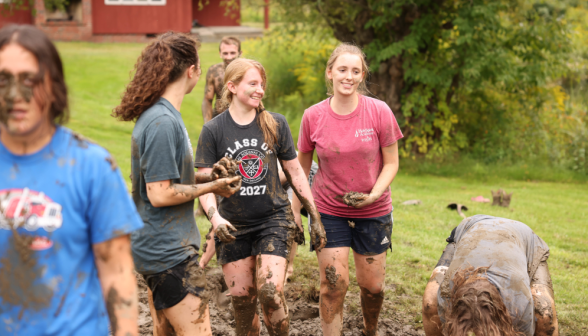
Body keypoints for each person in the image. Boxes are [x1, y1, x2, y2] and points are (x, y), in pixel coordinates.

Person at [0, 25, 143, 335]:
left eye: (30, 80)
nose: (15, 95)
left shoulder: (92, 167)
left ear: (54, 87)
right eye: (3, 80)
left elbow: (117, 271)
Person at [112, 32, 241, 336]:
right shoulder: (162, 122)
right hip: (167, 252)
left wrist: (211, 176)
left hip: (161, 247)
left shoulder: (167, 115)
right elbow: (160, 193)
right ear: (192, 70)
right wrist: (213, 189)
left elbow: (165, 176)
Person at [195, 58, 326, 336]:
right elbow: (205, 185)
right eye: (252, 84)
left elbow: (295, 171)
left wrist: (314, 216)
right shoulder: (213, 130)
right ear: (231, 86)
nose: (260, 90)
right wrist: (215, 218)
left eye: (262, 85)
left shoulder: (275, 123)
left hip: (273, 219)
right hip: (232, 225)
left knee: (270, 292)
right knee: (243, 304)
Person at [295, 43, 403, 336]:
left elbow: (391, 163)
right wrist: (296, 212)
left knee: (373, 287)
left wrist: (375, 194)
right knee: (333, 285)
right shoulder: (313, 116)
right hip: (328, 212)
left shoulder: (379, 111)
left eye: (356, 71)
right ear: (330, 73)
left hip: (374, 211)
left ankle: (370, 330)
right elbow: (300, 170)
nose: (349, 76)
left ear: (362, 75)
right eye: (342, 69)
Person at [422, 215, 558, 336]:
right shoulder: (447, 295)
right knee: (430, 302)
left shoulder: (519, 308)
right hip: (471, 227)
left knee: (544, 313)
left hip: (524, 236)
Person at [201, 36, 241, 123]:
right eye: (225, 53)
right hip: (219, 119)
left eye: (233, 53)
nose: (229, 57)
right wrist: (207, 124)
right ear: (220, 54)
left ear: (240, 53)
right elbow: (207, 100)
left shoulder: (248, 72)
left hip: (242, 119)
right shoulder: (214, 72)